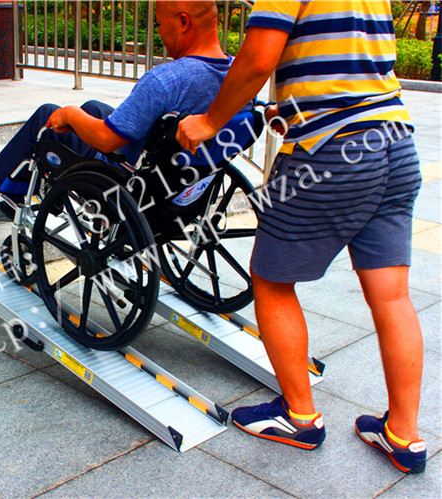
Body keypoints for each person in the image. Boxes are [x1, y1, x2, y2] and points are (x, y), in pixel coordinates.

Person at [176, 0, 426, 474]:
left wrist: (209, 122)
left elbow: (257, 61)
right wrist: (293, 104)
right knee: (393, 296)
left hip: (330, 151)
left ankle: (300, 417)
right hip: (395, 142)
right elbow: (346, 67)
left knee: (270, 280)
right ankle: (404, 435)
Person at [0, 0, 232, 201]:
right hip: (186, 186)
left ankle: (1, 185)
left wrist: (69, 114)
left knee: (48, 116)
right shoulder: (236, 80)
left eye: (159, 24)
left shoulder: (166, 80)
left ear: (183, 22)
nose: (159, 32)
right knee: (93, 108)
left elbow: (106, 139)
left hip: (126, 180)